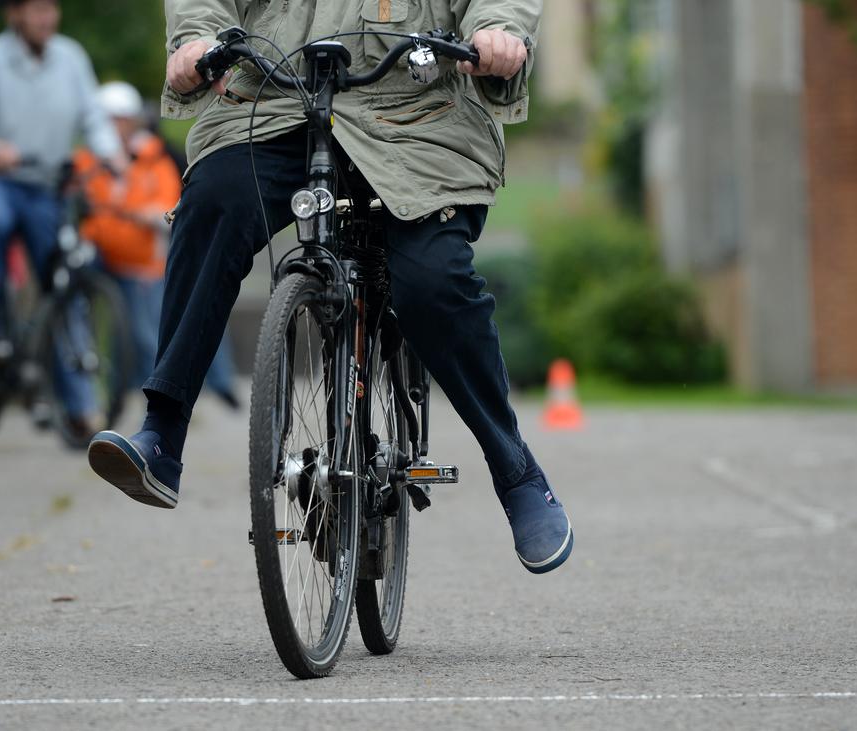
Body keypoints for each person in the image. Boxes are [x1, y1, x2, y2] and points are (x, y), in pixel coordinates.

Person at [89, 0, 571, 574]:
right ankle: (162, 437)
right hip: (275, 104)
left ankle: (514, 470)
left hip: (416, 119)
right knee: (212, 204)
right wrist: (197, 39)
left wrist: (499, 32)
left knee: (432, 279)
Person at [0, 0, 125, 438]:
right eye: (35, 9)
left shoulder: (71, 57)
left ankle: (80, 406)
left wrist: (108, 151)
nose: (46, 17)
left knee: (64, 282)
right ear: (14, 14)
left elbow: (93, 116)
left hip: (46, 186)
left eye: (51, 8)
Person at [77, 81, 241, 407]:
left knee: (147, 331)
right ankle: (103, 393)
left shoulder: (154, 158)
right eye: (109, 119)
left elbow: (166, 208)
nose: (115, 127)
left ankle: (173, 396)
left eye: (120, 119)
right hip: (98, 252)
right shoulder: (88, 159)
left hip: (141, 259)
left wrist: (139, 214)